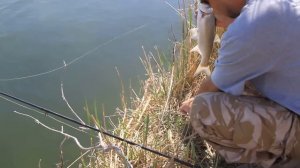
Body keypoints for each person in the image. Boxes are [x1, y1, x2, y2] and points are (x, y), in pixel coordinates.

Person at [180, 0, 300, 167]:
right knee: (243, 81)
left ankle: (281, 163)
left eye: (206, 2)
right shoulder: (272, 7)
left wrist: (191, 105)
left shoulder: (251, 27)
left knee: (201, 110)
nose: (205, 5)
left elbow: (210, 88)